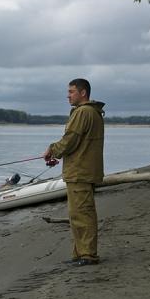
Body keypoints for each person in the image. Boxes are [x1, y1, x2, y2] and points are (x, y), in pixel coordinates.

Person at [43, 78, 105, 266]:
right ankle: (81, 253)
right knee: (78, 213)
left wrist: (52, 149)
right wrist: (59, 155)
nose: (68, 95)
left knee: (82, 214)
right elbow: (78, 144)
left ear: (83, 92)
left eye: (71, 91)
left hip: (81, 172)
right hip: (82, 170)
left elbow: (70, 139)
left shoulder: (83, 112)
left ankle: (88, 255)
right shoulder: (92, 112)